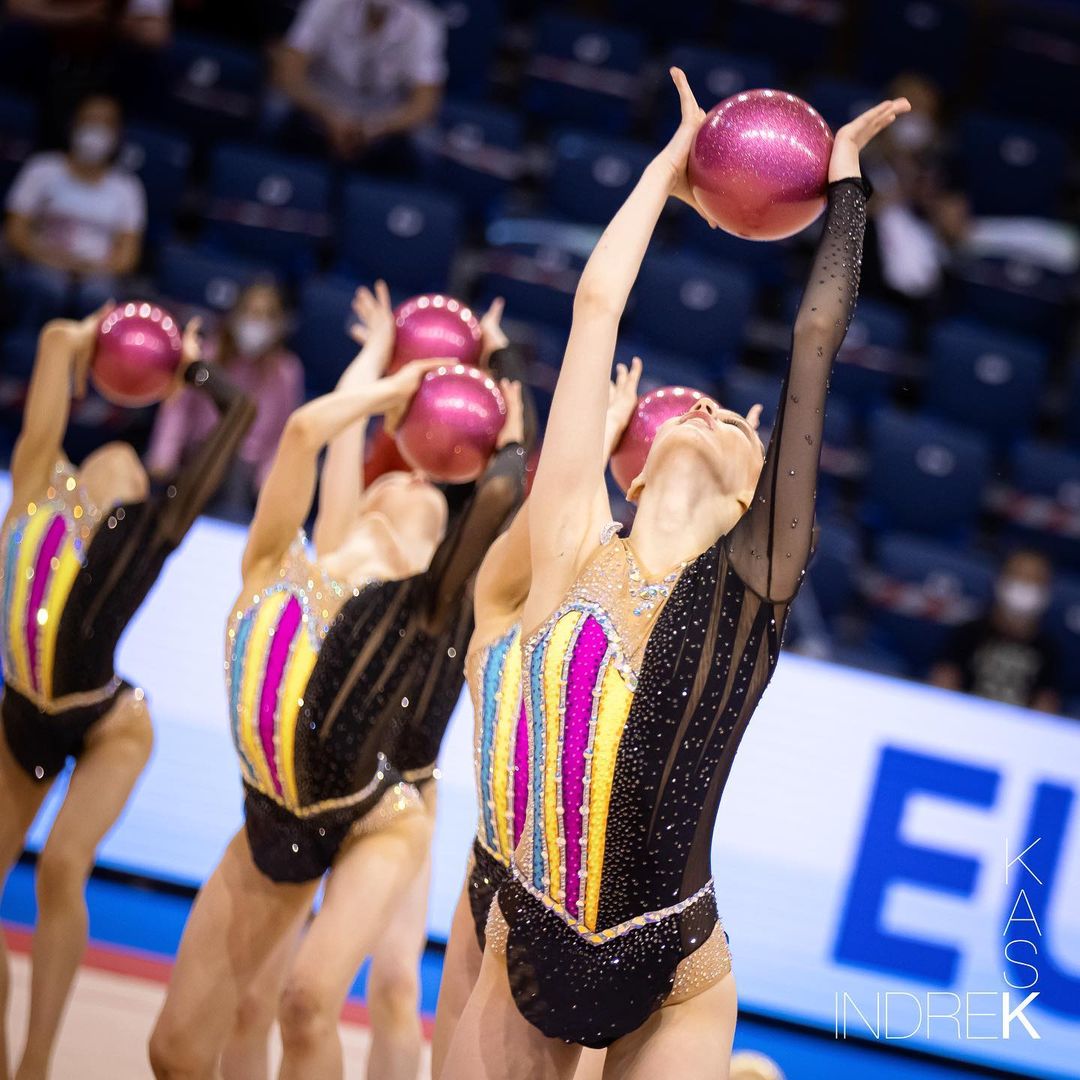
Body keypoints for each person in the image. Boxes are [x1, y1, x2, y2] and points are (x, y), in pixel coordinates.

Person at [442, 70, 905, 1079]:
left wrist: (847, 189)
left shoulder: (754, 588)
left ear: (751, 501)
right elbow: (596, 307)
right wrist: (670, 164)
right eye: (695, 409)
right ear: (638, 468)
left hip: (679, 970)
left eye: (739, 423)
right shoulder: (571, 547)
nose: (712, 411)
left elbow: (814, 342)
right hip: (530, 932)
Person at [149, 286, 526, 1080]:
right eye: (387, 487)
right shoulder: (311, 562)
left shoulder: (436, 603)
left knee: (376, 991)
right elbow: (316, 434)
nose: (408, 487)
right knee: (230, 1016)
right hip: (288, 799)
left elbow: (502, 488)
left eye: (427, 504)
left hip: (395, 798)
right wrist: (386, 369)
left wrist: (497, 370)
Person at [0, 307, 253, 1080]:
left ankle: (36, 1061)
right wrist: (90, 342)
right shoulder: (36, 489)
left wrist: (189, 369)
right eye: (111, 460)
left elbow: (238, 414)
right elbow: (52, 340)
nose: (124, 463)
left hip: (109, 721)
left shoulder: (152, 529)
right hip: (21, 711)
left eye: (138, 470)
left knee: (61, 867)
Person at [430, 357, 642, 1079]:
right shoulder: (495, 614)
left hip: (566, 895)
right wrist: (594, 442)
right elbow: (549, 517)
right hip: (490, 864)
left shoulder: (613, 648)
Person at [146, 280, 304, 522]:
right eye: (251, 312)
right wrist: (164, 457)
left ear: (280, 323)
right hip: (195, 457)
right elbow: (178, 408)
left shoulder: (287, 372)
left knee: (234, 475)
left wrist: (268, 483)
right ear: (235, 314)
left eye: (267, 315)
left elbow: (284, 435)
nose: (257, 322)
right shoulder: (207, 354)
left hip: (244, 474)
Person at [4, 93, 146, 329]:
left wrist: (89, 269)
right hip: (40, 262)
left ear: (118, 134)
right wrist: (51, 260)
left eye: (106, 123)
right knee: (46, 288)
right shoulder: (42, 169)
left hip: (97, 273)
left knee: (99, 297)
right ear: (73, 124)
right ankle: (25, 345)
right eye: (90, 120)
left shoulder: (127, 188)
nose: (96, 129)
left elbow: (128, 256)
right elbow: (15, 231)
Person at [271, 0, 446, 165]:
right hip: (321, 104)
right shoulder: (326, 5)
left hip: (383, 118)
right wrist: (329, 116)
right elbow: (289, 74)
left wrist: (375, 127)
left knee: (426, 140)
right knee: (275, 106)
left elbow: (425, 103)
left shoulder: (425, 23)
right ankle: (271, 175)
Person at [930, 548, 1062, 713]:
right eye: (1019, 576)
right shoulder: (968, 633)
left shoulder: (1049, 650)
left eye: (1035, 580)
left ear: (1047, 589)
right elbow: (943, 685)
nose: (1025, 585)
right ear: (1000, 580)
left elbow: (1045, 706)